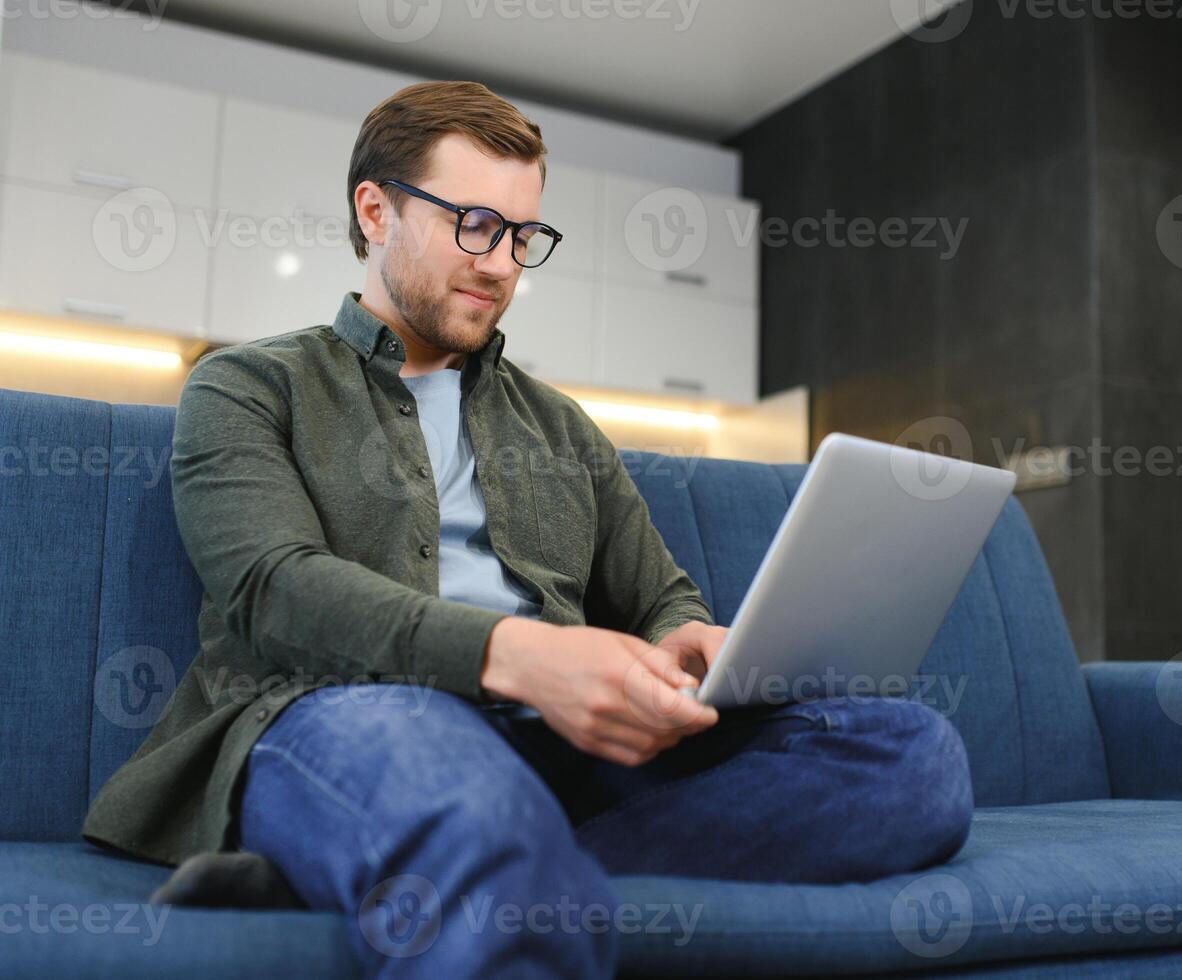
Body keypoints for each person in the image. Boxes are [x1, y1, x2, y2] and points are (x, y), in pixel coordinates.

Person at [81, 79, 974, 978]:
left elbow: (658, 596)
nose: (502, 263)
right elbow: (275, 591)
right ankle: (462, 855)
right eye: (473, 223)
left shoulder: (561, 427)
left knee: (908, 756)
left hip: (557, 747)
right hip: (341, 713)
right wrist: (521, 655)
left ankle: (421, 872)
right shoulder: (248, 385)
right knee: (458, 792)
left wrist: (687, 642)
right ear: (375, 209)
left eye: (521, 236)